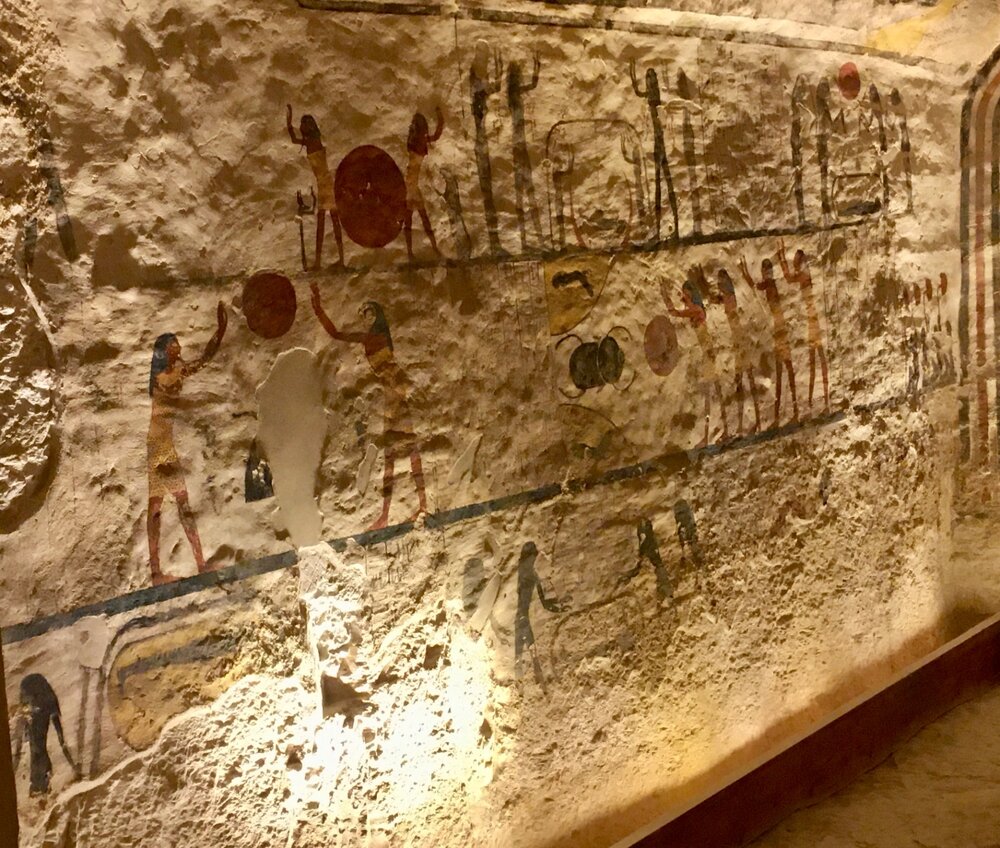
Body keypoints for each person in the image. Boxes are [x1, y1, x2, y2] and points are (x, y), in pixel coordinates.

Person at [311, 283, 427, 530]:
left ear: (377, 315)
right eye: (363, 314)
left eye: (369, 313)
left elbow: (390, 370)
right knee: (394, 454)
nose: (366, 317)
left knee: (404, 450)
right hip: (391, 395)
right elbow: (336, 334)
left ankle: (417, 506)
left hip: (395, 393)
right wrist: (319, 310)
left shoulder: (378, 337)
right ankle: (393, 512)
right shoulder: (368, 338)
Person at [147, 302, 227, 585]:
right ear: (164, 352)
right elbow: (196, 364)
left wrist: (220, 331)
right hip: (159, 445)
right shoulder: (164, 375)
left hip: (163, 443)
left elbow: (203, 359)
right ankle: (168, 569)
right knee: (165, 505)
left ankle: (172, 568)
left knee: (168, 505)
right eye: (174, 346)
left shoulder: (173, 372)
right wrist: (218, 333)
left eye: (178, 345)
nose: (179, 349)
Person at [666, 272, 728, 447]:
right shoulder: (696, 309)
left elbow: (674, 312)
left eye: (687, 294)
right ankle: (722, 430)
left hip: (708, 352)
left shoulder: (696, 310)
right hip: (708, 352)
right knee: (714, 391)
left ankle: (710, 435)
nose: (685, 297)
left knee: (709, 393)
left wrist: (665, 296)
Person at [739, 254, 799, 427]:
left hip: (780, 333)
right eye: (764, 271)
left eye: (766, 271)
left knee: (785, 371)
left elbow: (756, 286)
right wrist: (745, 273)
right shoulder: (770, 286)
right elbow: (757, 287)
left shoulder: (770, 286)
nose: (765, 274)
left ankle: (792, 412)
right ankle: (782, 415)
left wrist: (745, 273)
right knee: (781, 373)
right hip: (779, 333)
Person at [286, 105, 345, 269]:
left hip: (326, 184)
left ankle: (331, 260)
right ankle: (326, 261)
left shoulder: (312, 141)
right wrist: (289, 123)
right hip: (323, 184)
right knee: (327, 222)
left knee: (328, 221)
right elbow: (294, 139)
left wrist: (289, 123)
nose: (301, 127)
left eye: (303, 124)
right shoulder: (311, 141)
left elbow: (295, 139)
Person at [777, 240, 829, 412]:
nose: (794, 263)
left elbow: (788, 278)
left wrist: (782, 258)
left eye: (795, 261)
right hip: (811, 319)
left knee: (817, 360)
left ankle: (823, 399)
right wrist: (782, 257)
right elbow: (789, 278)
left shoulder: (804, 275)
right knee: (815, 360)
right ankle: (814, 400)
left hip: (812, 320)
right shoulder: (804, 275)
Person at [13, 674, 80, 796]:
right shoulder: (36, 709)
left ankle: (41, 785)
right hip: (37, 715)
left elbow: (61, 738)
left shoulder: (46, 705)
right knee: (37, 749)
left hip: (39, 715)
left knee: (37, 749)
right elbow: (60, 738)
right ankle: (40, 786)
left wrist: (73, 766)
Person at [713, 267, 761, 435]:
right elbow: (719, 299)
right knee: (742, 384)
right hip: (738, 344)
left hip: (740, 344)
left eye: (720, 283)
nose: (718, 285)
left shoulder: (730, 298)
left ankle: (756, 421)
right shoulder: (727, 297)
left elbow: (727, 306)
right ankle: (743, 424)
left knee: (746, 383)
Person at [405, 107, 444, 260]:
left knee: (414, 219)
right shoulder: (420, 142)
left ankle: (412, 252)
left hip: (411, 185)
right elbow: (437, 135)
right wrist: (440, 116)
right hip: (411, 187)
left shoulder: (413, 142)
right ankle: (431, 249)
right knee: (420, 218)